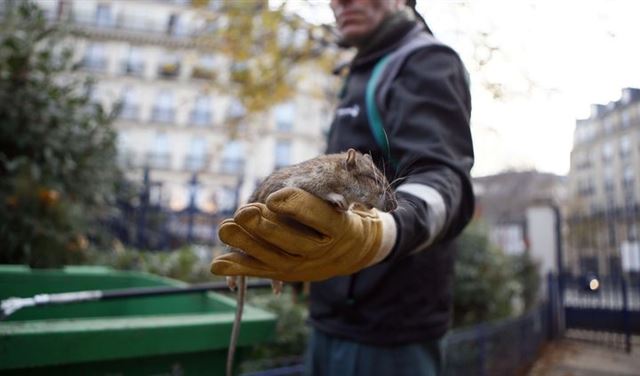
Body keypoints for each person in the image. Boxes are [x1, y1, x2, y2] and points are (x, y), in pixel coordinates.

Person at [211, 0, 474, 375]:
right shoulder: (359, 68)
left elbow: (447, 184)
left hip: (389, 334)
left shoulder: (424, 62)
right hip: (328, 320)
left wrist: (381, 233)